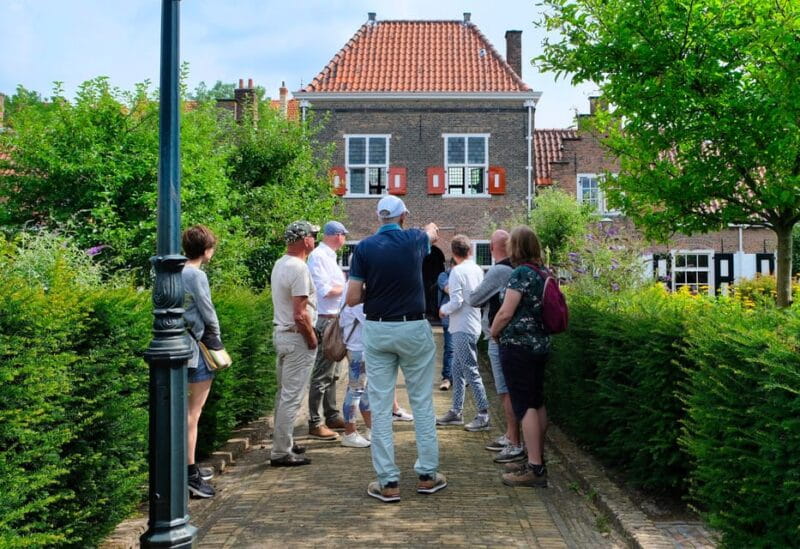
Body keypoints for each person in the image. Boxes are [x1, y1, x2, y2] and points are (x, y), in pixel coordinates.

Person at [346, 195, 446, 503]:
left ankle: (388, 482)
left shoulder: (363, 249)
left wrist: (376, 289)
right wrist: (427, 230)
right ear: (403, 217)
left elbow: (351, 298)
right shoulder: (415, 240)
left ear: (379, 218)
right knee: (422, 404)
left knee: (379, 405)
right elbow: (431, 231)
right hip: (413, 327)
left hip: (378, 328)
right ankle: (428, 476)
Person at [490, 225, 552, 488]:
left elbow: (505, 312)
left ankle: (535, 468)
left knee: (523, 404)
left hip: (519, 347)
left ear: (516, 247)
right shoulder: (544, 272)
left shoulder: (521, 274)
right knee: (537, 401)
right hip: (540, 345)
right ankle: (535, 458)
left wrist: (494, 332)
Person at [466, 230, 523, 463]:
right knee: (508, 389)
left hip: (498, 337)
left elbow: (474, 298)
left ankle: (514, 440)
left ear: (491, 247)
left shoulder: (499, 270)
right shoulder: (516, 269)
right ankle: (511, 434)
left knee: (505, 391)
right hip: (512, 338)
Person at [269, 220, 320, 467]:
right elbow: (300, 313)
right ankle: (280, 451)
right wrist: (311, 338)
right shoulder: (299, 268)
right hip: (296, 336)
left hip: (281, 334)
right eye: (313, 235)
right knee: (292, 395)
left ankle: (283, 441)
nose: (315, 239)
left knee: (283, 393)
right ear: (304, 239)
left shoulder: (280, 264)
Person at [182, 224, 222, 498]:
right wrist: (216, 338)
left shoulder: (169, 270)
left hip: (174, 347)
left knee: (182, 413)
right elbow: (207, 310)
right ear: (206, 250)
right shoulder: (196, 275)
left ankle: (186, 468)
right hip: (194, 350)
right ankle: (190, 473)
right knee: (192, 414)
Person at [436, 235, 490, 432]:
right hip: (472, 325)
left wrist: (444, 310)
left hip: (462, 327)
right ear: (470, 251)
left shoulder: (457, 272)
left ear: (453, 253)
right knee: (457, 371)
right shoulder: (477, 270)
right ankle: (456, 411)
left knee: (470, 370)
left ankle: (483, 413)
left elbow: (456, 301)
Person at [306, 221, 349, 440]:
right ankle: (315, 421)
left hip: (336, 318)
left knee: (334, 373)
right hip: (326, 320)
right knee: (322, 372)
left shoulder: (329, 256)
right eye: (344, 235)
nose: (345, 239)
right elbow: (325, 290)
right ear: (336, 235)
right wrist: (350, 289)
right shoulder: (319, 257)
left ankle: (332, 415)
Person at [339, 303, 372, 448]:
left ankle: (370, 428)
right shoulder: (356, 295)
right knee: (355, 390)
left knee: (363, 390)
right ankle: (350, 433)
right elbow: (370, 320)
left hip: (360, 347)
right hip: (358, 348)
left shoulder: (353, 289)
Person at [436, 258, 456, 391]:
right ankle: (447, 378)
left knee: (465, 349)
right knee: (450, 349)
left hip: (464, 319)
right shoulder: (444, 276)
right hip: (449, 318)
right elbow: (449, 290)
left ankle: (460, 377)